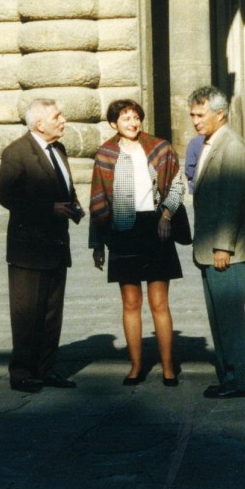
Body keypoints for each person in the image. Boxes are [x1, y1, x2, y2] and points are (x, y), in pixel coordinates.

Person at [89, 99, 185, 387]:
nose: (132, 123)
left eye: (135, 118)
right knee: (131, 302)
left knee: (159, 302)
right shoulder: (106, 154)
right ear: (113, 124)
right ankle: (135, 366)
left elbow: (178, 185)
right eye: (125, 118)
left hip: (155, 228)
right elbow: (98, 199)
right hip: (123, 230)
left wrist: (167, 214)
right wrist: (98, 244)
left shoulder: (159, 147)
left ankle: (168, 368)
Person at [0, 99, 83, 393]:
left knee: (50, 312)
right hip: (29, 249)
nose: (63, 120)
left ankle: (46, 369)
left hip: (56, 245)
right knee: (26, 313)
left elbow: (64, 187)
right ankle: (22, 373)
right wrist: (50, 208)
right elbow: (8, 197)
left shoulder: (58, 150)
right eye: (57, 116)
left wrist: (74, 206)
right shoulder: (16, 153)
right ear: (39, 124)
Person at [187, 86, 245, 399]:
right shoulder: (211, 143)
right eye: (192, 115)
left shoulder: (232, 146)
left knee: (229, 318)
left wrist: (223, 246)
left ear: (220, 114)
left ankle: (240, 381)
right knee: (219, 319)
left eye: (200, 115)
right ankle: (229, 375)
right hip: (211, 248)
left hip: (224, 250)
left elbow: (232, 201)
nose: (195, 121)